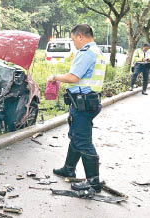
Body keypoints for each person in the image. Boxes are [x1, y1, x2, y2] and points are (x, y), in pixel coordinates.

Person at [47, 24, 106, 193]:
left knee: (83, 140)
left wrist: (55, 77)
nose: (74, 44)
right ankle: (68, 168)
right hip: (88, 101)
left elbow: (73, 77)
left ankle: (93, 182)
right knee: (76, 135)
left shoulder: (86, 53)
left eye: (73, 40)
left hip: (83, 103)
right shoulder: (97, 52)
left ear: (80, 36)